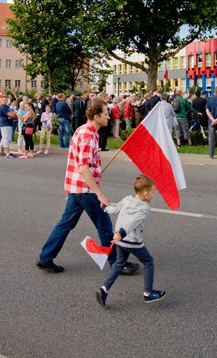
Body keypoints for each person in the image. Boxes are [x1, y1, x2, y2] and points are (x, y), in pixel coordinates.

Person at [37, 98, 139, 276]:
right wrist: (99, 194)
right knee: (105, 226)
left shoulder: (85, 131)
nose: (109, 117)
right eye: (106, 114)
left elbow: (85, 165)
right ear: (96, 116)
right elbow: (83, 168)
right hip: (85, 190)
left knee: (66, 223)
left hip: (77, 188)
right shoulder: (88, 135)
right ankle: (117, 263)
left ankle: (45, 258)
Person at [96, 175, 165, 307]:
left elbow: (115, 209)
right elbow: (133, 223)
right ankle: (148, 293)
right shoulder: (144, 208)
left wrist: (104, 207)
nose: (153, 195)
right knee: (148, 262)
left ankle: (104, 289)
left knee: (119, 263)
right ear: (145, 193)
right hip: (131, 241)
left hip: (120, 241)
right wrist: (122, 233)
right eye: (153, 192)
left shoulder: (127, 199)